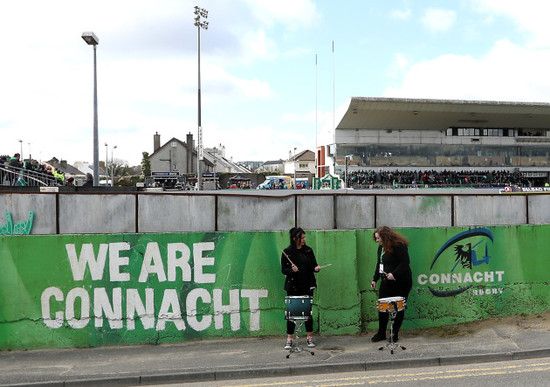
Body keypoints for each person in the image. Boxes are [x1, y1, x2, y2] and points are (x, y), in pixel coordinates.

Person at [370, 226, 412, 343]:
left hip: (401, 282)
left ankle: (394, 334)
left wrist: (394, 274)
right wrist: (375, 279)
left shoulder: (399, 245)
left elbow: (405, 263)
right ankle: (381, 333)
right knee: (383, 307)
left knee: (398, 307)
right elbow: (379, 264)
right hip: (386, 282)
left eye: (378, 238)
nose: (377, 240)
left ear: (385, 237)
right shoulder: (381, 248)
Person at [281, 227, 321, 350]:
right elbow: (283, 270)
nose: (304, 240)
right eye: (301, 238)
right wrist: (291, 270)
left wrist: (316, 268)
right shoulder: (287, 252)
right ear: (295, 239)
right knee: (292, 313)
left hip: (307, 284)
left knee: (307, 311)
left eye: (304, 238)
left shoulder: (308, 251)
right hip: (293, 285)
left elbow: (314, 265)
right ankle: (289, 338)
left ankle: (309, 337)